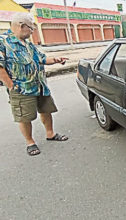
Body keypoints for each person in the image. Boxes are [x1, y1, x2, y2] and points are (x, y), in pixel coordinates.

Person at [0, 13, 69, 156]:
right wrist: (11, 86)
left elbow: (42, 59)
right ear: (21, 26)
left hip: (40, 86)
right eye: (31, 29)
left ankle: (50, 133)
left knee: (46, 110)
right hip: (21, 89)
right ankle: (30, 142)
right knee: (24, 116)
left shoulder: (28, 44)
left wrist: (56, 59)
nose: (32, 32)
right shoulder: (4, 42)